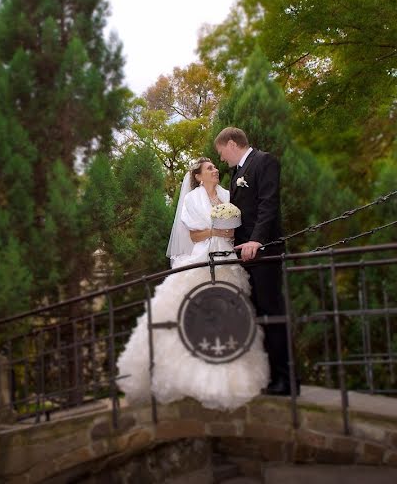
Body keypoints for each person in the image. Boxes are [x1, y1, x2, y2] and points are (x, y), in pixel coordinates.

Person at [115, 158, 269, 411]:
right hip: (201, 256)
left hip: (227, 257)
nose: (215, 170)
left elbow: (237, 227)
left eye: (215, 167)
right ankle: (189, 377)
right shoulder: (192, 200)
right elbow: (193, 235)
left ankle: (229, 378)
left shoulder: (228, 194)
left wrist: (229, 233)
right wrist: (215, 232)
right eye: (209, 168)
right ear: (198, 176)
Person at [214, 126, 296, 396]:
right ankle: (274, 378)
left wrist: (257, 240)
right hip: (247, 256)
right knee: (261, 315)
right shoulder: (235, 174)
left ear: (232, 143)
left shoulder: (265, 161)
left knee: (273, 313)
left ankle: (287, 380)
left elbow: (268, 204)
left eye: (222, 152)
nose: (222, 159)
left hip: (265, 252)